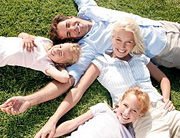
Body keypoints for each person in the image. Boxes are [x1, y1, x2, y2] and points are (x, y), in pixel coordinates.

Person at [0, 0, 179, 137]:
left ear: (72, 17)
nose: (74, 29)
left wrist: (165, 99)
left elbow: (163, 78)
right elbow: (73, 89)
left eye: (69, 25)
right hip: (144, 113)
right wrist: (33, 104)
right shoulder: (95, 55)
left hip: (164, 28)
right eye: (69, 34)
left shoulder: (88, 10)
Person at [54, 86, 150, 138]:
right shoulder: (103, 109)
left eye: (134, 110)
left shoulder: (129, 136)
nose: (127, 112)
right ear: (120, 102)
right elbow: (73, 124)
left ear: (139, 115)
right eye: (125, 105)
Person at [0, 32, 81, 84]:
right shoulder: (47, 42)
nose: (56, 50)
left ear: (61, 62)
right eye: (60, 46)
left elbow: (64, 78)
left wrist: (60, 67)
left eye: (61, 54)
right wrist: (26, 37)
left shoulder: (47, 64)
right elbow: (20, 35)